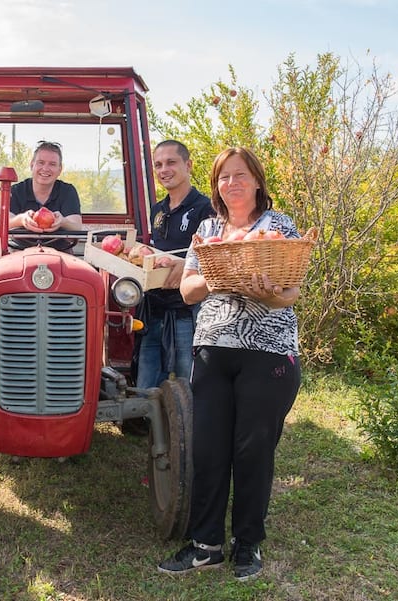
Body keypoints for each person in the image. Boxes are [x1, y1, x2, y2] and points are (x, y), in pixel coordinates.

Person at [157, 147, 302, 581]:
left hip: (267, 353)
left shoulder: (279, 228)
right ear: (217, 185)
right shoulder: (208, 230)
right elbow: (188, 291)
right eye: (224, 177)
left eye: (241, 175)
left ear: (257, 181)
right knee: (209, 449)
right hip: (213, 349)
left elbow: (289, 294)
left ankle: (247, 544)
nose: (232, 183)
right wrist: (223, 275)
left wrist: (264, 291)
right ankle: (205, 545)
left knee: (252, 450)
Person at [134, 140, 214, 390]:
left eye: (171, 162)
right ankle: (148, 425)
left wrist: (187, 263)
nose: (163, 170)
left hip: (186, 311)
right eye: (158, 165)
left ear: (188, 165)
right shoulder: (157, 210)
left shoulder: (206, 208)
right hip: (155, 307)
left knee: (186, 378)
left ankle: (186, 427)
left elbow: (213, 255)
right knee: (146, 379)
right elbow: (157, 252)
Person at [0, 141, 82, 251]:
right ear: (32, 165)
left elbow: (76, 227)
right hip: (19, 251)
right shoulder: (16, 191)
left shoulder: (67, 191)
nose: (45, 168)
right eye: (41, 162)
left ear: (59, 169)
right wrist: (21, 219)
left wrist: (62, 221)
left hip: (60, 252)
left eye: (52, 164)